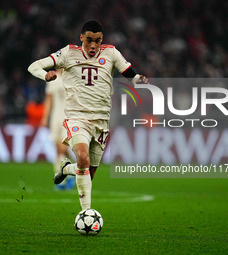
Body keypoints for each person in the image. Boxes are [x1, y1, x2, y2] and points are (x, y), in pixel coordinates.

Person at [28, 19, 147, 210]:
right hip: (76, 118)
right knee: (82, 158)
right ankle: (86, 212)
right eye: (89, 39)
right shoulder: (68, 53)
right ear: (81, 37)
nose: (93, 45)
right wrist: (45, 75)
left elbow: (127, 71)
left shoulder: (111, 53)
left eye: (97, 41)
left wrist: (137, 79)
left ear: (102, 40)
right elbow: (34, 66)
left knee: (87, 173)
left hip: (101, 121)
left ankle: (67, 168)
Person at [40, 69, 75, 190]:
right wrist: (45, 117)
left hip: (69, 118)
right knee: (58, 151)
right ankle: (65, 179)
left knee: (63, 147)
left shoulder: (73, 77)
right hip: (55, 118)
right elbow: (49, 99)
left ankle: (68, 176)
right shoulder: (52, 80)